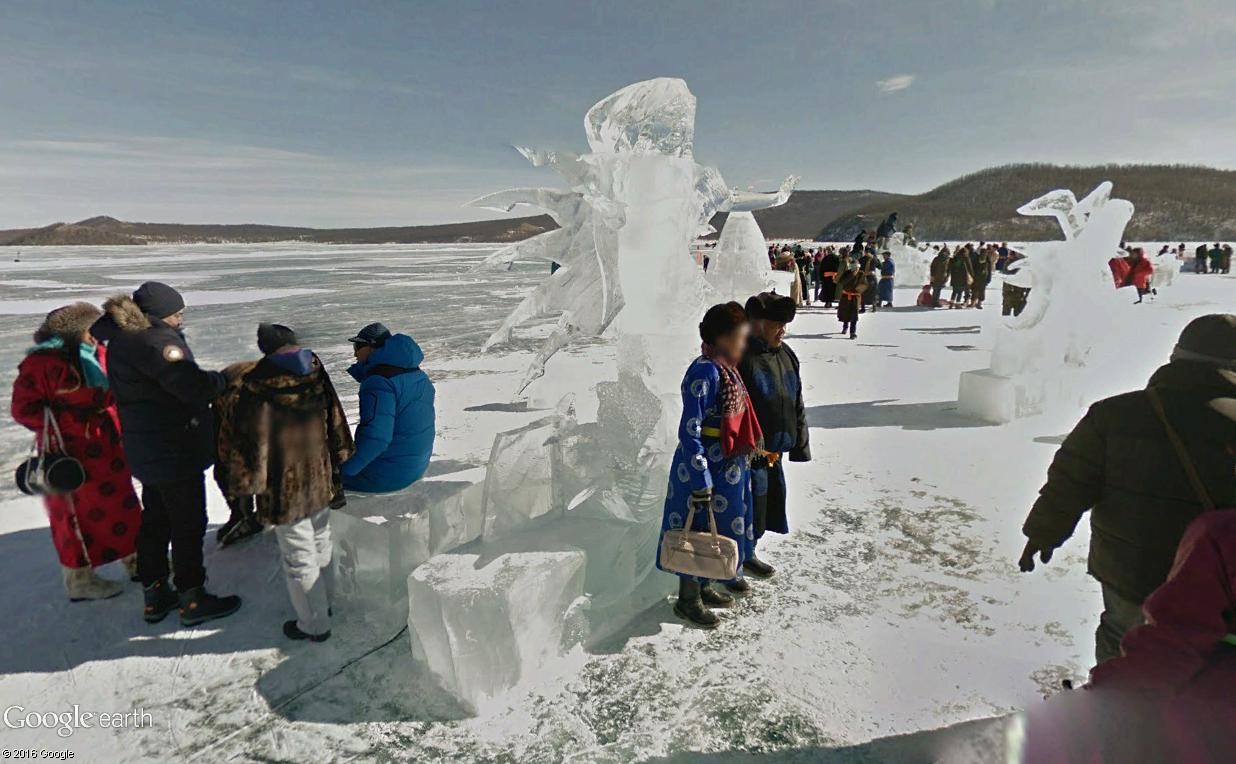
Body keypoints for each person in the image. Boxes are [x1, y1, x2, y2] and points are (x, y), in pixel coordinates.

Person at [1018, 314, 1236, 664]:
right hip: (1216, 583)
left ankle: (1111, 712)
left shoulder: (1115, 414)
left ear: (1177, 357)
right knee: (1208, 664)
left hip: (1129, 572)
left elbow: (1071, 480)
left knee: (1122, 643)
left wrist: (1043, 533)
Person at [90, 282, 239, 625]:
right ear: (160, 315)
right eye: (177, 313)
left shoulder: (123, 339)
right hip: (174, 448)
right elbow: (191, 386)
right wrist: (221, 380)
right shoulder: (156, 342)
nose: (181, 319)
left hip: (148, 448)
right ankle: (192, 597)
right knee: (187, 523)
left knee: (156, 518)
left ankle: (155, 594)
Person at [214, 324, 355, 642]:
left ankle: (314, 624)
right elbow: (334, 414)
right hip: (319, 475)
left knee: (298, 557)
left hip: (284, 487)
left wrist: (244, 483)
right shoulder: (314, 367)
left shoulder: (257, 382)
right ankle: (325, 606)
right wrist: (341, 451)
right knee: (321, 542)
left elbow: (251, 443)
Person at [10, 303, 141, 601]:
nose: (96, 336)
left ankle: (136, 560)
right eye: (91, 330)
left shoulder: (98, 353)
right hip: (68, 453)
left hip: (108, 446)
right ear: (75, 332)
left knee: (124, 504)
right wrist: (72, 415)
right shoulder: (41, 364)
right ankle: (79, 580)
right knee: (72, 517)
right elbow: (23, 409)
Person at [657, 302, 762, 628]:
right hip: (702, 467)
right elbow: (691, 429)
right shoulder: (705, 372)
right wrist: (700, 476)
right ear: (722, 338)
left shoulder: (725, 369)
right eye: (739, 337)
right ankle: (687, 600)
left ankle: (703, 585)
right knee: (695, 529)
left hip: (726, 465)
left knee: (713, 531)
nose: (743, 343)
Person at [740, 292, 810, 581]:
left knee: (764, 507)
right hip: (747, 455)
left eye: (785, 324)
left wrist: (800, 445)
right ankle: (735, 559)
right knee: (745, 508)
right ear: (757, 324)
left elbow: (796, 401)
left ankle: (749, 553)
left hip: (773, 453)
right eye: (776, 324)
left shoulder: (787, 354)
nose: (783, 330)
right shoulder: (741, 357)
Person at [341, 322, 436, 493]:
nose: (354, 353)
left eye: (358, 346)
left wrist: (341, 472)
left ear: (372, 347)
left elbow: (376, 439)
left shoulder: (379, 382)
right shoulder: (416, 374)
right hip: (415, 467)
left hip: (387, 475)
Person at [836, 262, 866, 339]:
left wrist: (857, 290)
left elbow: (865, 284)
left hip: (855, 297)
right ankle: (845, 326)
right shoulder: (847, 273)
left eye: (858, 268)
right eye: (855, 268)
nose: (857, 269)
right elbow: (841, 282)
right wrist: (852, 275)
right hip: (846, 296)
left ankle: (853, 332)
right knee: (846, 312)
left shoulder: (861, 274)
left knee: (854, 314)